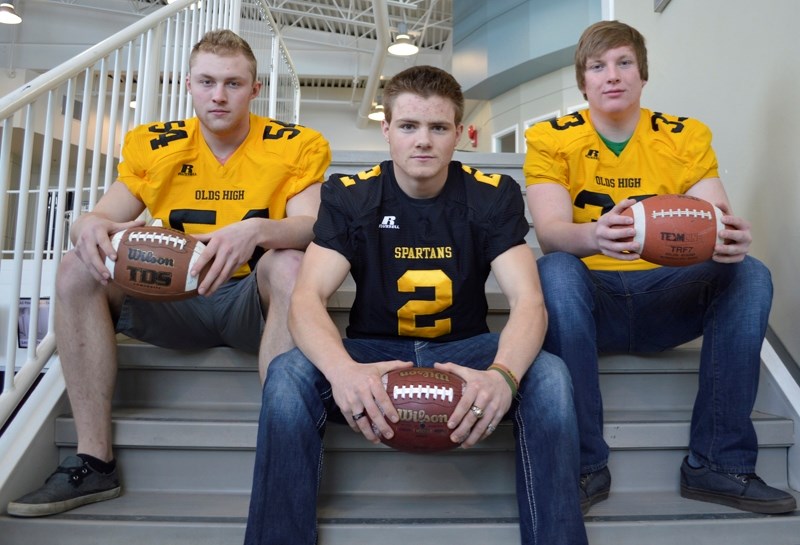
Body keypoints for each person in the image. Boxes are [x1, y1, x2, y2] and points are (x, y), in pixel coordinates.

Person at [243, 65, 587, 544]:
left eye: (438, 127)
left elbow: (529, 302)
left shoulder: (492, 196)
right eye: (408, 126)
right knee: (286, 375)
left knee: (550, 375)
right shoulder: (351, 194)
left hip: (463, 353)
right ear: (386, 129)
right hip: (372, 354)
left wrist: (503, 376)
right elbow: (307, 297)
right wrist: (343, 371)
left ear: (459, 134)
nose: (422, 141)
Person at [7, 29, 331, 518]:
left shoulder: (294, 144)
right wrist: (87, 224)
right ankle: (94, 461)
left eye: (233, 83)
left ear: (255, 88)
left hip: (251, 302)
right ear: (188, 85)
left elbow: (310, 228)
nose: (218, 95)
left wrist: (260, 231)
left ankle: (281, 452)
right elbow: (101, 216)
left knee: (290, 261)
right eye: (206, 82)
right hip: (174, 297)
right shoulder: (156, 144)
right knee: (78, 267)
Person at [523, 20, 796, 515]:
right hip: (591, 301)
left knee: (750, 272)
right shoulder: (549, 137)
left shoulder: (683, 135)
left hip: (664, 296)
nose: (612, 75)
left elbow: (715, 218)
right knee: (555, 268)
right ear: (582, 81)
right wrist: (595, 235)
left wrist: (728, 238)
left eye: (624, 62)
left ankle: (718, 462)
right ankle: (584, 464)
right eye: (598, 66)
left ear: (642, 75)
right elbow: (549, 231)